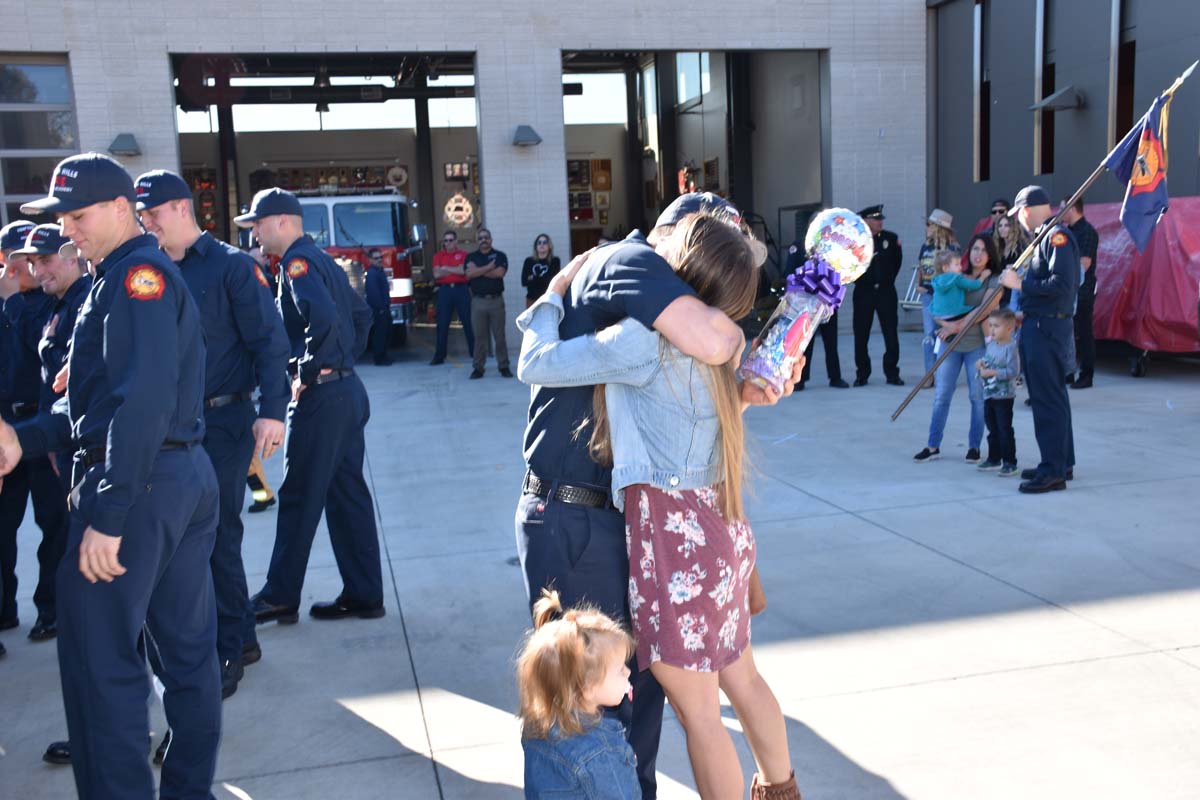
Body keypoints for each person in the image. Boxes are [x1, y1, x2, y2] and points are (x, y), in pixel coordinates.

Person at [514, 190, 798, 800]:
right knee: (738, 680)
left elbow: (536, 361)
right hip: (718, 534)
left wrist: (549, 297)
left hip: (673, 548)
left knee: (690, 714)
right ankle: (782, 789)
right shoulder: (723, 346)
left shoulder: (644, 341)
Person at [2, 151, 221, 798]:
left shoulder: (135, 280)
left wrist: (110, 512)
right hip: (172, 478)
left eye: (78, 214)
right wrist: (23, 439)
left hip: (138, 485)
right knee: (186, 659)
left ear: (123, 209)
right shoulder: (117, 278)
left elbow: (143, 401)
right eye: (62, 216)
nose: (67, 229)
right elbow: (92, 401)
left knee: (102, 669)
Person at [136, 169, 291, 699]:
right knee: (186, 538)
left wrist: (273, 411)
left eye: (153, 215)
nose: (147, 224)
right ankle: (241, 636)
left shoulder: (231, 266)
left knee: (217, 532)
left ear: (181, 209)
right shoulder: (149, 271)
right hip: (170, 425)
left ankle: (227, 647)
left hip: (225, 423)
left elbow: (269, 343)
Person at [235, 188, 386, 625]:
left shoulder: (297, 265)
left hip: (323, 398)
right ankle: (364, 593)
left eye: (257, 225)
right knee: (346, 494)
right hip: (347, 393)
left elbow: (320, 319)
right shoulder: (321, 261)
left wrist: (310, 370)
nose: (255, 236)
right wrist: (341, 364)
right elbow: (360, 317)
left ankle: (280, 595)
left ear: (281, 221)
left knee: (300, 495)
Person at [0, 219, 68, 643]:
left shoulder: (48, 302)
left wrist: (12, 303)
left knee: (54, 524)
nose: (17, 269)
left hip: (42, 428)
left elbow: (38, 349)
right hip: (6, 425)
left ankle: (51, 609)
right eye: (11, 259)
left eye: (23, 261)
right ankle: (3, 610)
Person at [518, 590, 639, 800]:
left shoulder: (538, 726)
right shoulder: (602, 752)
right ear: (587, 686)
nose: (628, 673)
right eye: (620, 669)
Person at [1000, 185, 1079, 494]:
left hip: (1046, 330)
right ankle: (1061, 461)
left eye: (1018, 215)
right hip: (1040, 326)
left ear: (1025, 211)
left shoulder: (1056, 237)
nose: (1018, 220)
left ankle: (1053, 470)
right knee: (1054, 397)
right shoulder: (1046, 237)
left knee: (1047, 400)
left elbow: (1062, 285)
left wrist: (1020, 285)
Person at [912, 233, 1002, 464]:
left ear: (990, 254)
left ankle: (974, 447)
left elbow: (984, 309)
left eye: (983, 250)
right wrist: (948, 325)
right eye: (974, 249)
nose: (978, 254)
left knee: (977, 397)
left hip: (977, 346)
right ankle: (933, 445)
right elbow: (934, 307)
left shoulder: (993, 280)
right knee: (941, 395)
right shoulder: (953, 275)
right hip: (950, 345)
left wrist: (958, 326)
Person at [853, 204, 903, 386]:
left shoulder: (891, 239)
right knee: (861, 334)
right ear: (865, 221)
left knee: (890, 333)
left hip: (885, 291)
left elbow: (897, 262)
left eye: (880, 219)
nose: (879, 222)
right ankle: (862, 373)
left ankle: (892, 372)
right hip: (864, 292)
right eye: (875, 219)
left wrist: (886, 280)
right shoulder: (855, 241)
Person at [787, 237, 847, 389]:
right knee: (805, 342)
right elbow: (790, 270)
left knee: (831, 342)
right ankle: (800, 379)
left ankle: (835, 377)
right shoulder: (799, 245)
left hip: (826, 302)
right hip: (806, 302)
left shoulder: (831, 248)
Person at [915, 209, 960, 382]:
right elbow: (921, 266)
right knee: (929, 334)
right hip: (927, 295)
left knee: (945, 334)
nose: (926, 227)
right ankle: (929, 374)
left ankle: (944, 372)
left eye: (929, 224)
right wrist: (919, 284)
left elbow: (956, 273)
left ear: (938, 227)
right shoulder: (925, 246)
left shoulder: (952, 248)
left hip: (945, 296)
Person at [976, 307, 1020, 476]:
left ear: (1009, 328)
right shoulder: (991, 345)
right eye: (991, 325)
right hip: (989, 393)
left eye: (996, 326)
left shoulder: (1011, 348)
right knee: (992, 428)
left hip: (1004, 396)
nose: (992, 330)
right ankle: (994, 458)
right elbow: (988, 361)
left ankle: (1010, 462)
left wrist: (994, 373)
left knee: (1004, 429)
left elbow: (1012, 371)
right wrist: (980, 364)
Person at [1060, 196, 1099, 389]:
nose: (1060, 213)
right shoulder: (1066, 232)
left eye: (1063, 208)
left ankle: (1086, 375)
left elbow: (1084, 263)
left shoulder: (1087, 232)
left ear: (1073, 208)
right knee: (1067, 334)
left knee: (1083, 333)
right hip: (1067, 290)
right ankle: (1068, 372)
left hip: (1082, 291)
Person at [466, 228, 511, 379]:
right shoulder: (471, 257)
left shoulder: (500, 255)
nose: (483, 240)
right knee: (480, 337)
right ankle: (478, 368)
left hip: (496, 301)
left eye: (486, 237)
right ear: (477, 241)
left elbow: (499, 273)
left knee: (499, 336)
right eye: (480, 238)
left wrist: (478, 271)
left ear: (491, 239)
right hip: (478, 301)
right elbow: (468, 274)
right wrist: (488, 267)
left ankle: (503, 366)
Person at [429, 230, 475, 365]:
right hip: (445, 291)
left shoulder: (463, 255)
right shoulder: (438, 256)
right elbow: (437, 275)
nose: (447, 243)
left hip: (461, 290)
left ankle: (474, 353)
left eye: (450, 240)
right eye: (445, 240)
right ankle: (439, 356)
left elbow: (463, 271)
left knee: (467, 322)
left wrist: (446, 268)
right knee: (442, 324)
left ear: (455, 241)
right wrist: (455, 268)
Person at [930, 250, 983, 321]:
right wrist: (983, 277)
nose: (960, 267)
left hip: (939, 314)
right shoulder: (956, 278)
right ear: (945, 268)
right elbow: (974, 285)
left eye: (960, 264)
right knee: (979, 310)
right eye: (957, 264)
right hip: (954, 313)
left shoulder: (936, 280)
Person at [364, 248, 393, 366]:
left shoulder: (379, 271)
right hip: (378, 309)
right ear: (370, 260)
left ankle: (384, 356)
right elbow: (373, 294)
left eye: (380, 257)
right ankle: (379, 358)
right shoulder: (372, 274)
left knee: (386, 332)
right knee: (380, 334)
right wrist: (380, 309)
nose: (379, 260)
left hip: (384, 307)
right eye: (376, 258)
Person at [521, 233, 561, 309]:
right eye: (539, 243)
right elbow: (524, 282)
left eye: (544, 242)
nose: (541, 245)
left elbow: (552, 281)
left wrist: (533, 278)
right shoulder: (529, 261)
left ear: (549, 246)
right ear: (536, 246)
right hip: (532, 300)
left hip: (548, 300)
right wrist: (543, 278)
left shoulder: (555, 261)